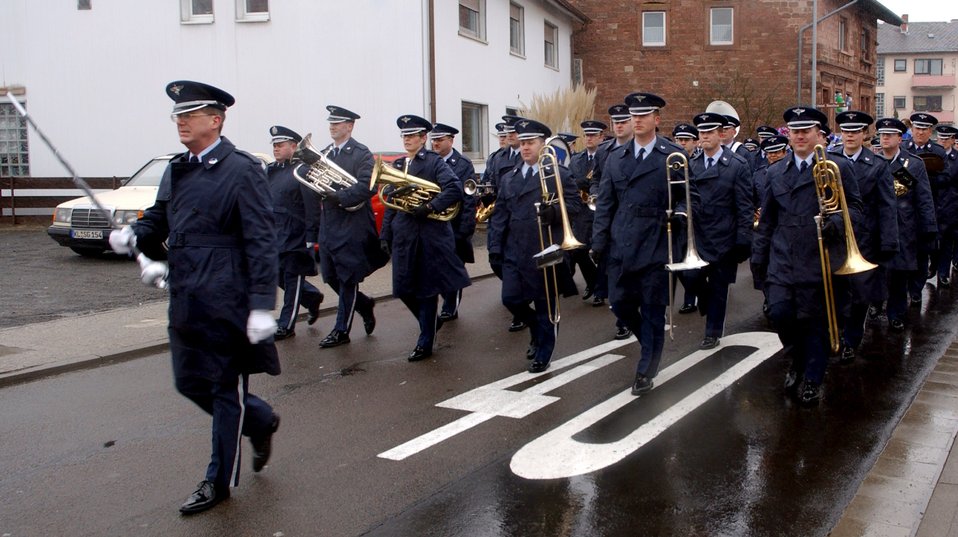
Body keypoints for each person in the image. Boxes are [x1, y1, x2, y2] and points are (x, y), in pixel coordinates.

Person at [110, 80, 280, 514]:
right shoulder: (179, 168)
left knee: (224, 390)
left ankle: (217, 482)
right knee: (188, 382)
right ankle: (259, 419)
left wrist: (263, 304)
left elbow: (262, 240)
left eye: (190, 115)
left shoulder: (241, 169)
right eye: (177, 116)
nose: (181, 122)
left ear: (216, 119)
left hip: (228, 296)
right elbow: (160, 218)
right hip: (186, 294)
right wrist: (135, 234)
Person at [751, 106, 862, 407]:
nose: (799, 136)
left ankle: (813, 375)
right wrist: (758, 261)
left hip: (820, 257)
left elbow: (857, 209)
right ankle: (797, 360)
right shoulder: (775, 172)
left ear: (819, 134)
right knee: (781, 314)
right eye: (794, 131)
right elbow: (768, 221)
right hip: (783, 257)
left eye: (805, 130)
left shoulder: (838, 166)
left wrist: (836, 221)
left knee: (815, 321)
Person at [591, 92, 685, 396]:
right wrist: (598, 241)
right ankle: (650, 341)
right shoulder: (615, 157)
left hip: (657, 242)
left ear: (656, 120)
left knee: (654, 309)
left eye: (644, 115)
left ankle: (646, 369)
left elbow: (687, 198)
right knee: (620, 304)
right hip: (622, 241)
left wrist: (681, 217)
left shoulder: (672, 155)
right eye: (634, 116)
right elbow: (605, 203)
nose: (638, 120)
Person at [487, 118, 582, 373]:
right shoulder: (510, 177)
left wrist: (553, 213)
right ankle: (536, 329)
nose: (525, 147)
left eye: (531, 142)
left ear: (543, 144)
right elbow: (500, 216)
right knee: (511, 299)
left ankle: (545, 351)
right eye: (523, 143)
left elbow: (574, 207)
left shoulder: (557, 173)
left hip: (544, 247)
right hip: (515, 249)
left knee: (545, 304)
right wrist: (494, 247)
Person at [379, 114, 471, 361]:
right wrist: (385, 234)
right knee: (403, 289)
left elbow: (454, 189)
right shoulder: (398, 165)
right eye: (404, 136)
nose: (407, 140)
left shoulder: (433, 162)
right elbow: (391, 203)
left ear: (423, 138)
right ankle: (428, 323)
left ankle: (425, 341)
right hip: (403, 235)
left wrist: (430, 207)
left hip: (429, 235)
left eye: (412, 136)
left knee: (426, 290)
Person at [828, 111, 898, 363]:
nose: (849, 135)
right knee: (834, 290)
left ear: (864, 135)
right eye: (846, 131)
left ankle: (851, 338)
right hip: (834, 237)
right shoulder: (828, 159)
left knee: (859, 294)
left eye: (855, 131)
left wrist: (889, 244)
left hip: (864, 238)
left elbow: (887, 206)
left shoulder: (877, 165)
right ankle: (835, 333)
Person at [310, 106, 382, 349]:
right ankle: (363, 305)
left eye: (338, 123)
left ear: (349, 126)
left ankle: (341, 330)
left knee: (347, 278)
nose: (332, 126)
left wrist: (339, 196)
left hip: (351, 224)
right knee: (330, 276)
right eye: (331, 123)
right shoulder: (325, 153)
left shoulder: (361, 154)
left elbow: (367, 186)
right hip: (329, 224)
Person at [685, 111, 754, 349]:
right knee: (689, 276)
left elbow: (745, 205)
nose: (704, 136)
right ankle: (706, 303)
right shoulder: (690, 165)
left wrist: (743, 239)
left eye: (709, 132)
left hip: (724, 235)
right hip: (698, 235)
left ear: (721, 134)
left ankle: (712, 331)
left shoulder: (737, 165)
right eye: (701, 132)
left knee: (718, 286)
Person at [875, 117, 937, 332]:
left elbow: (922, 198)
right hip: (877, 228)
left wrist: (929, 230)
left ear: (899, 138)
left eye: (889, 135)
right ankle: (875, 304)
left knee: (899, 274)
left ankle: (896, 313)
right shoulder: (873, 161)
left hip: (903, 227)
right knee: (878, 272)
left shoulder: (912, 164)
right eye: (882, 135)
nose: (884, 138)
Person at [266, 126, 323, 340]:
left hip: (295, 235)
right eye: (274, 145)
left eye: (280, 145)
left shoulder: (302, 171)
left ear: (293, 146)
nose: (276, 148)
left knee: (292, 280)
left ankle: (285, 325)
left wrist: (311, 235)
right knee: (276, 275)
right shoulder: (271, 170)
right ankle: (311, 297)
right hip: (275, 235)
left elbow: (312, 206)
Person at [430, 122, 478, 322]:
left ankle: (451, 305)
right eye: (434, 140)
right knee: (436, 268)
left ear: (451, 140)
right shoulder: (430, 161)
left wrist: (465, 229)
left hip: (454, 225)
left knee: (454, 267)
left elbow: (469, 198)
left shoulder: (463, 164)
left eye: (440, 140)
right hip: (434, 226)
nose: (435, 144)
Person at [903, 112, 951, 295]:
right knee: (906, 252)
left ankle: (916, 290)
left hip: (927, 207)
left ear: (930, 131)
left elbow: (946, 178)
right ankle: (906, 288)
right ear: (912, 129)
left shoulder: (937, 152)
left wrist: (925, 180)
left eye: (924, 129)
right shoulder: (904, 148)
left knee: (922, 253)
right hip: (905, 208)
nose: (920, 133)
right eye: (917, 129)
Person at [568, 120, 603, 310]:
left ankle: (600, 288)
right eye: (587, 135)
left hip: (601, 211)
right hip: (582, 212)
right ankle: (595, 283)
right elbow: (570, 181)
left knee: (600, 253)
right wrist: (579, 184)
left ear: (601, 137)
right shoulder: (576, 160)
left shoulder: (606, 156)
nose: (589, 138)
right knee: (579, 250)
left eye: (593, 135)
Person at [937, 124, 958, 280]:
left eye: (946, 139)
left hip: (951, 206)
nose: (943, 141)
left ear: (952, 140)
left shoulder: (956, 159)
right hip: (932, 205)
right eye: (940, 138)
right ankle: (932, 265)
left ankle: (943, 273)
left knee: (946, 242)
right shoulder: (931, 155)